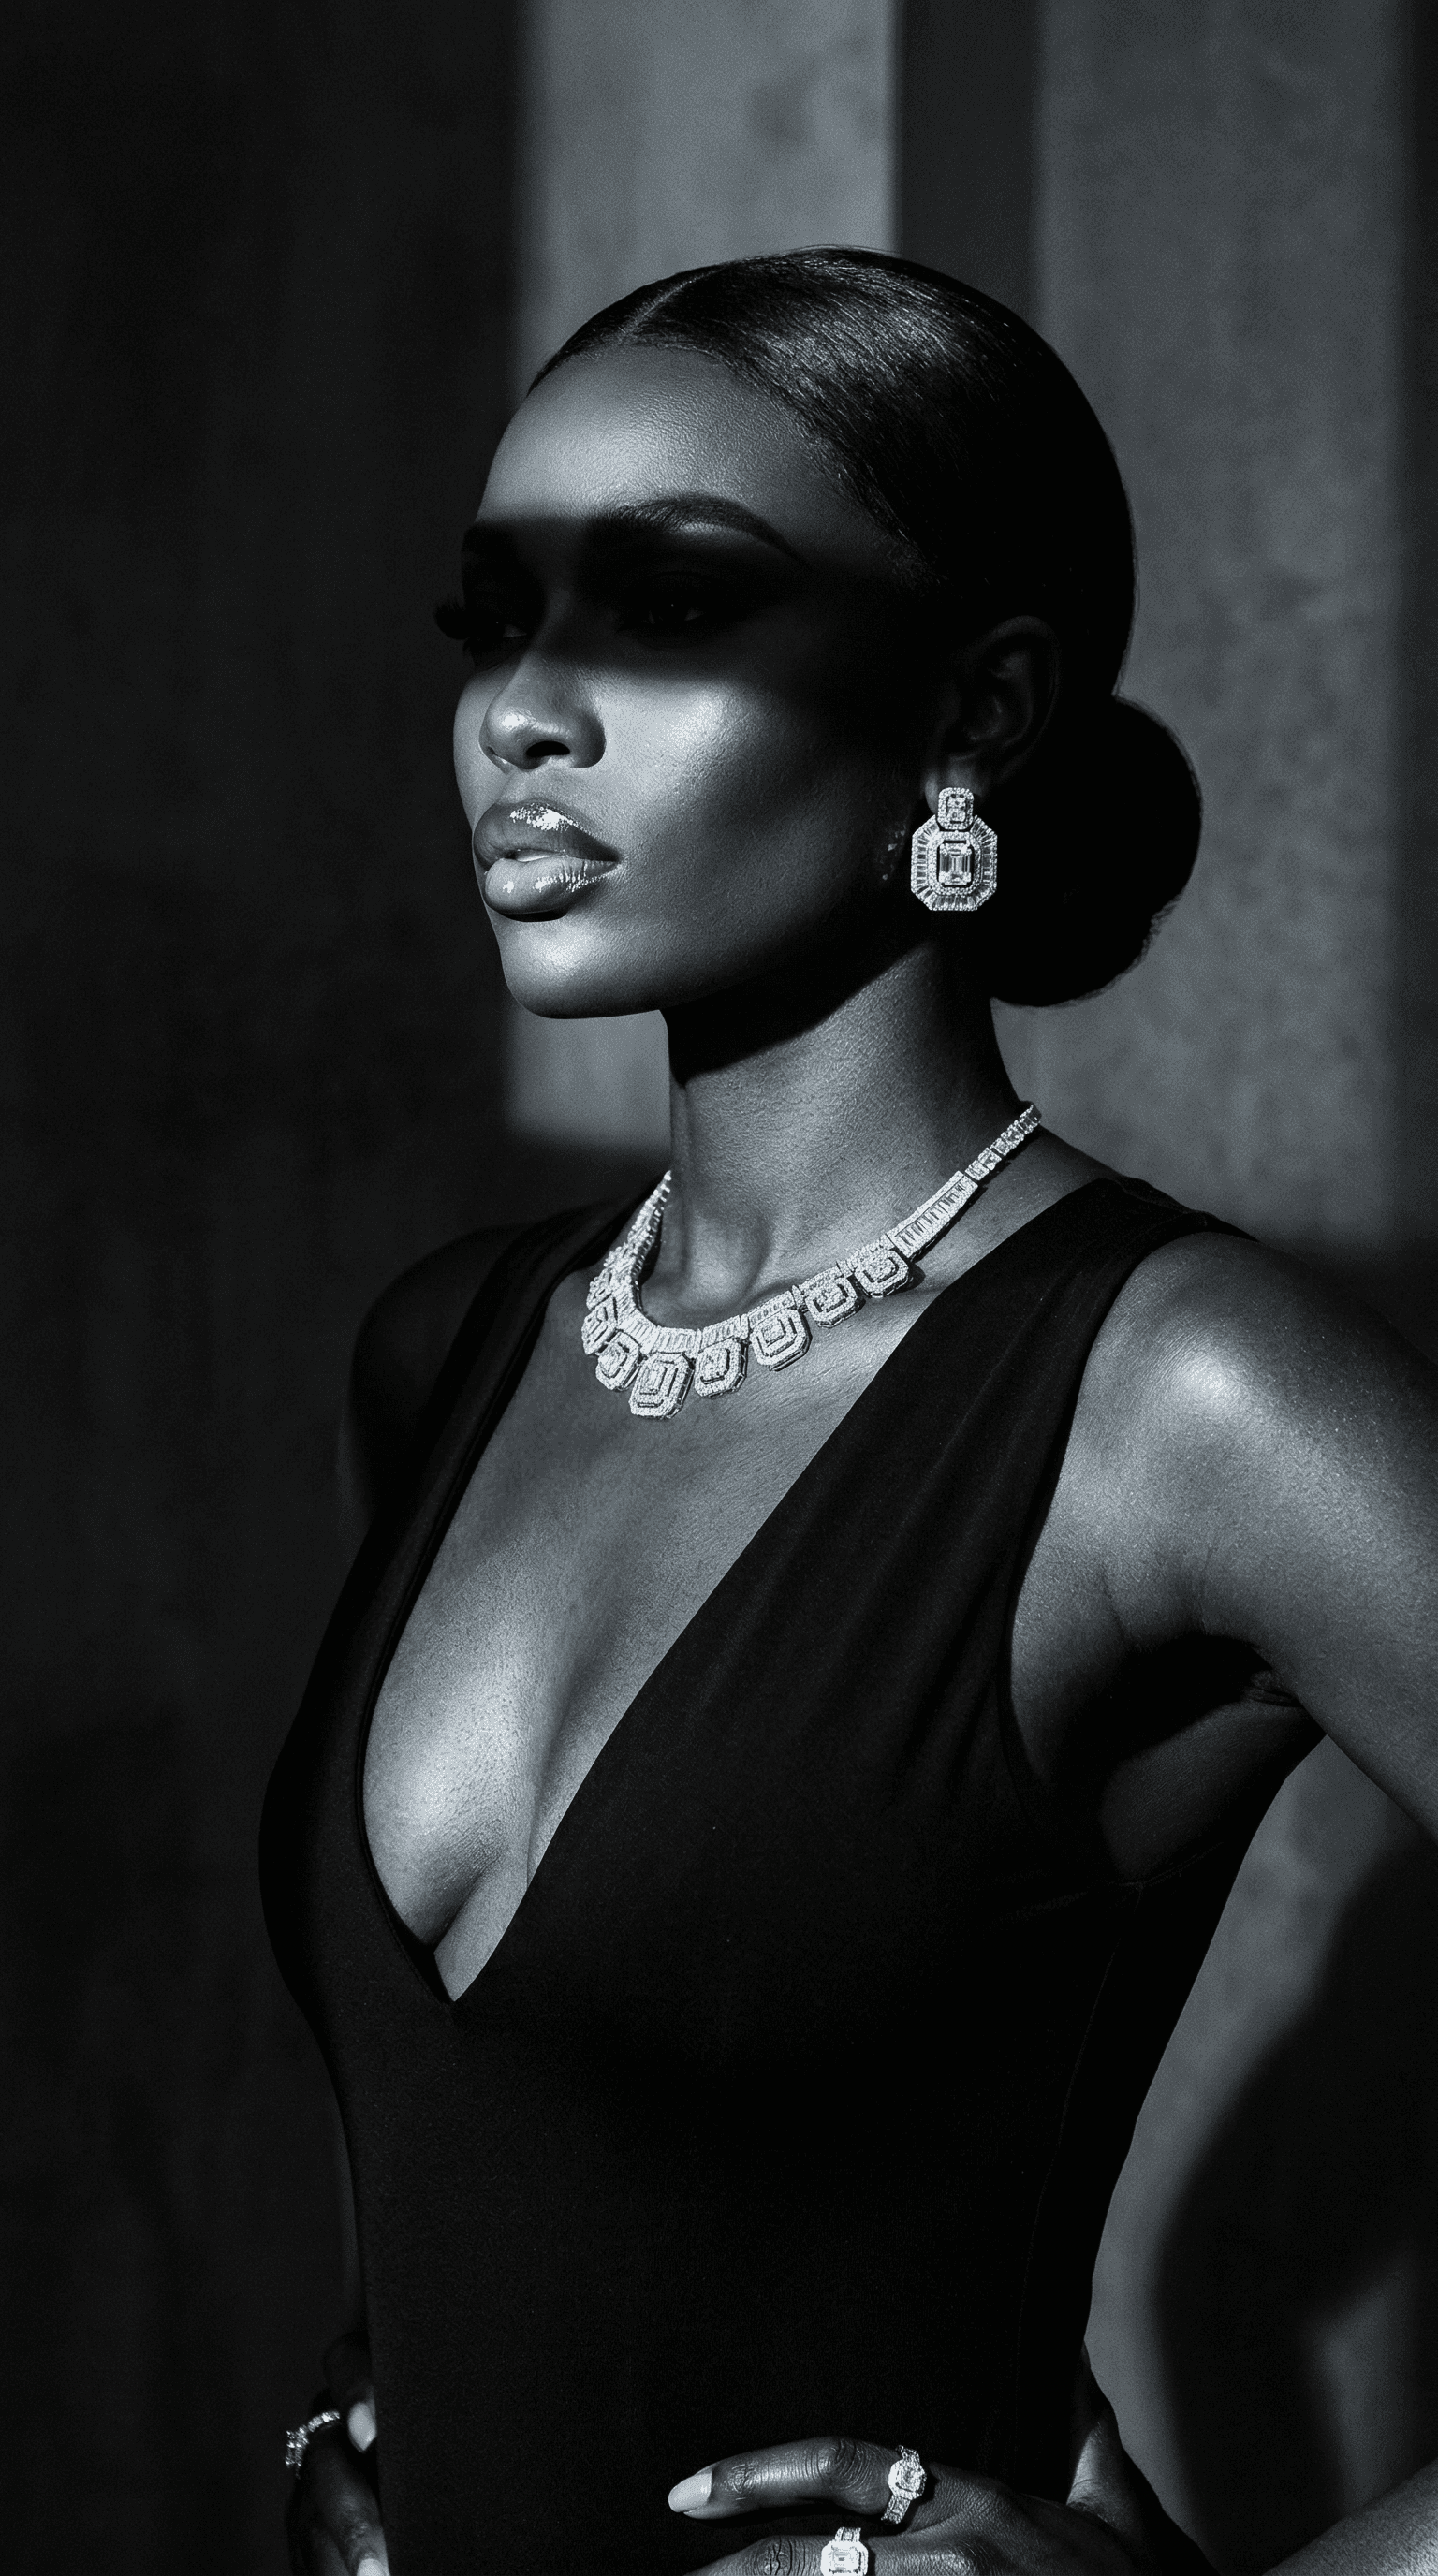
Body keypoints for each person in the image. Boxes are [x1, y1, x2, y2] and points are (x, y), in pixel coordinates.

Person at [262, 250, 1438, 2576]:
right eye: (495, 617)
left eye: (672, 605)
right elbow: (533, 2154)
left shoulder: (1175, 1398)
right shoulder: (449, 1350)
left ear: (970, 707)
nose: (523, 712)